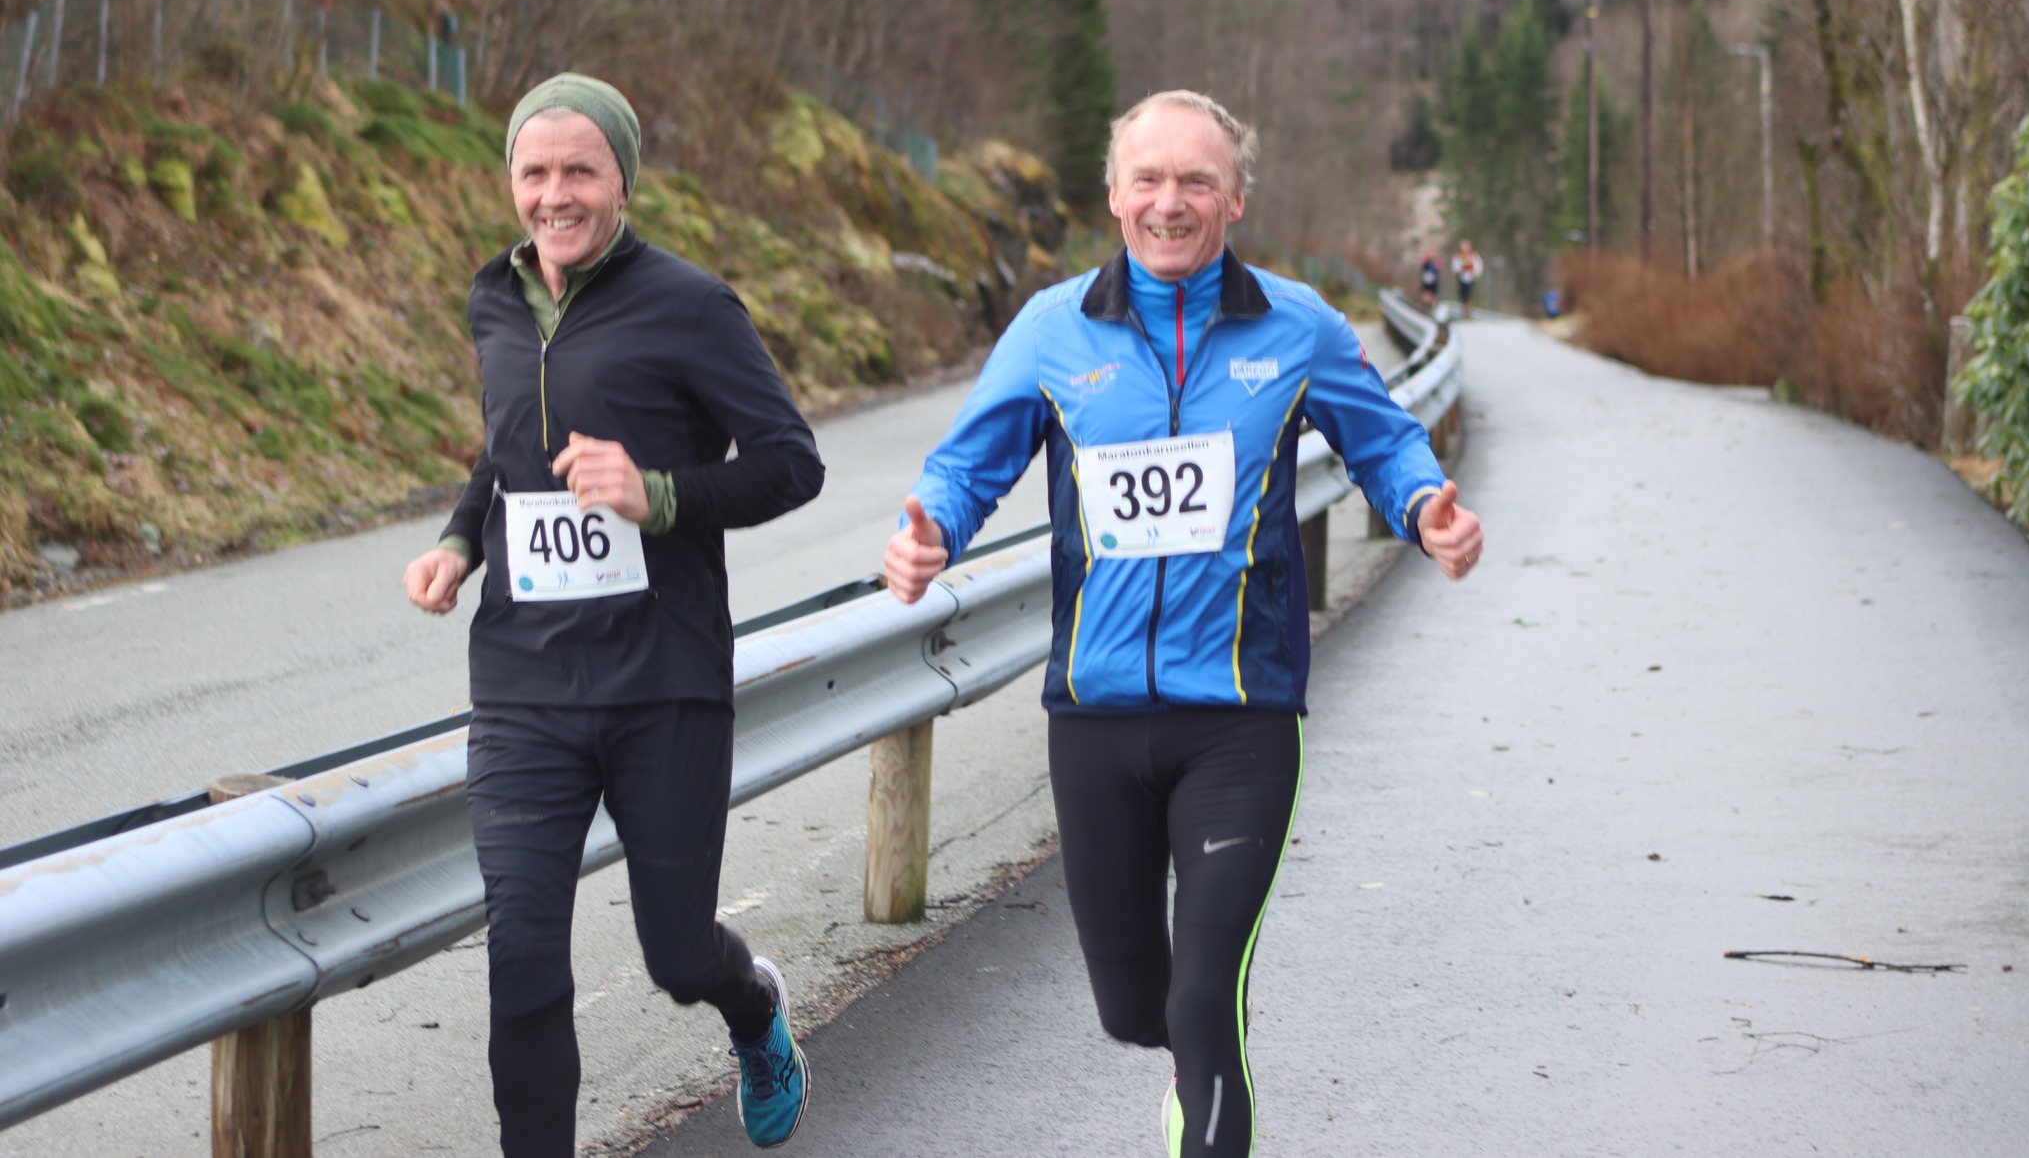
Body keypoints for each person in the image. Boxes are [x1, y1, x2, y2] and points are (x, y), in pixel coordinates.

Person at [881, 91, 1483, 1157]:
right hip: (1095, 718)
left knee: (1206, 994)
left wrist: (1423, 505)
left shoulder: (1294, 326)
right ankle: (1184, 1057)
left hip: (1240, 719)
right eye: (1148, 179)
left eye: (1197, 181)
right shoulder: (1052, 330)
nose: (1171, 201)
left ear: (1234, 198)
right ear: (1114, 196)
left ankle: (1205, 1078)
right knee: (1135, 1008)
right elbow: (965, 468)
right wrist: (925, 533)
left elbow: (1384, 441)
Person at [402, 73, 823, 1156]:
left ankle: (754, 1009)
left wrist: (658, 494)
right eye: (534, 172)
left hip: (661, 682)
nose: (556, 194)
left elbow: (792, 463)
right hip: (525, 686)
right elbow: (505, 451)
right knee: (522, 957)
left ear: (622, 181)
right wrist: (458, 542)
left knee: (677, 957)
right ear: (510, 181)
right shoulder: (493, 300)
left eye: (580, 170)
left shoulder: (692, 305)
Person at [1453, 239, 1483, 318]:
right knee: (1463, 295)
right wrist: (1460, 270)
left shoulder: (1473, 255)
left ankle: (1468, 311)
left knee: (1469, 295)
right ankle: (1464, 311)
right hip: (1462, 278)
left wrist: (1474, 272)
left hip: (1470, 278)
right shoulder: (1458, 255)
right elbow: (1455, 267)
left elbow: (1478, 266)